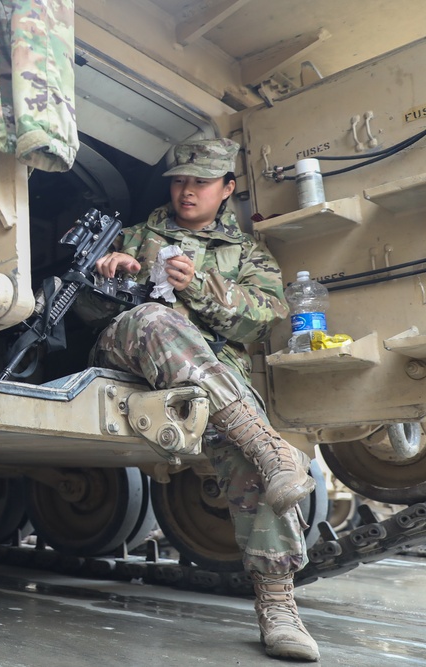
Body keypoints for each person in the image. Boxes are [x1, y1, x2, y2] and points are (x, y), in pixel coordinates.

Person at [87, 138, 319, 662]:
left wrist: (201, 289)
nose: (186, 190)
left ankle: (278, 604)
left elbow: (262, 320)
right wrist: (110, 273)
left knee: (248, 456)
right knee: (151, 317)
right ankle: (270, 445)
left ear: (227, 189)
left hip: (208, 383)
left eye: (200, 182)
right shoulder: (135, 234)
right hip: (127, 357)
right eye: (179, 181)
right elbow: (77, 314)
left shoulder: (249, 254)